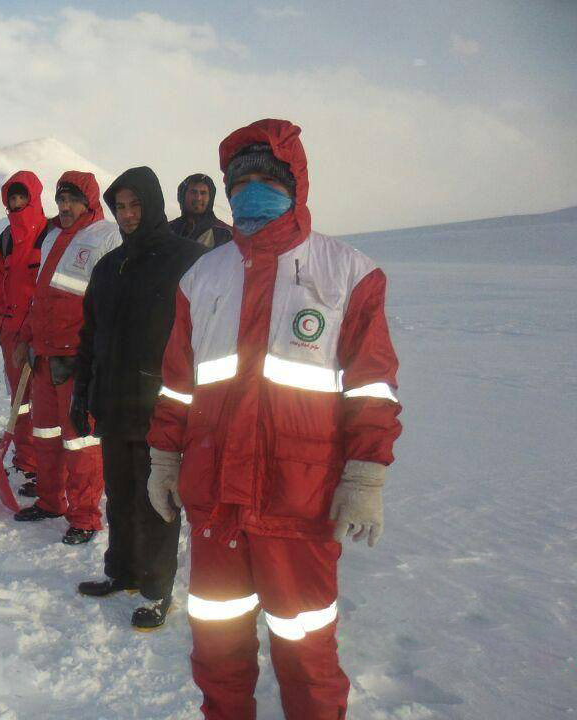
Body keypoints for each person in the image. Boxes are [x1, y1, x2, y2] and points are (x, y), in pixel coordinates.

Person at [146, 119, 402, 719]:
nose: (252, 192)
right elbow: (179, 385)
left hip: (298, 502)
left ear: (296, 184)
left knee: (307, 654)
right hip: (215, 502)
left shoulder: (347, 274)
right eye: (243, 182)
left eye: (268, 178)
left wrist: (366, 476)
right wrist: (163, 457)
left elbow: (372, 387)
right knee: (217, 648)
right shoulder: (202, 278)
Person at [71, 166, 206, 630]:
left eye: (135, 206)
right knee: (120, 494)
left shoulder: (186, 259)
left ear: (152, 205)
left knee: (157, 500)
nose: (127, 216)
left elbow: (203, 333)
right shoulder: (110, 266)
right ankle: (123, 571)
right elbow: (90, 334)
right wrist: (81, 392)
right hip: (113, 402)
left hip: (160, 404)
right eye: (120, 207)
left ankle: (157, 588)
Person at [11, 171, 121, 544]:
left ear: (88, 201)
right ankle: (50, 500)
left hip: (77, 359)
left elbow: (112, 304)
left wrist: (100, 356)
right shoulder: (54, 235)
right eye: (60, 200)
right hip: (43, 356)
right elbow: (40, 296)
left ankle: (85, 516)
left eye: (72, 200)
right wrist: (25, 338)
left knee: (80, 441)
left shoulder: (106, 236)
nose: (65, 207)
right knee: (45, 435)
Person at [0, 171, 49, 495]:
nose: (16, 203)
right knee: (21, 402)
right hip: (11, 333)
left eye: (21, 197)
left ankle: (49, 465)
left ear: (34, 197)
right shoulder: (4, 240)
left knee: (46, 401)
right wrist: (1, 324)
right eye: (12, 198)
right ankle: (27, 462)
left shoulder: (51, 234)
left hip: (42, 333)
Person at [167, 173, 232, 250]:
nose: (198, 198)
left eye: (203, 193)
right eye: (193, 192)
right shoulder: (168, 229)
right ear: (183, 196)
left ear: (210, 198)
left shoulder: (224, 233)